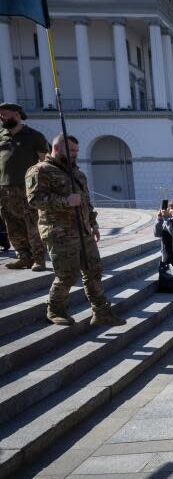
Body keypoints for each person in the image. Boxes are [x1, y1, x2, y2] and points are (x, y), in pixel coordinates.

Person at [25, 135, 126, 327]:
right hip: (59, 232)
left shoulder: (77, 173)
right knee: (68, 275)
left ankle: (101, 312)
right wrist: (66, 201)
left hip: (83, 230)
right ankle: (55, 309)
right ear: (55, 147)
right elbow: (34, 200)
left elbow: (86, 201)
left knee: (94, 271)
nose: (74, 155)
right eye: (71, 151)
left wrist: (93, 223)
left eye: (76, 151)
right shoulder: (40, 171)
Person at [0, 103, 49, 271]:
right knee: (12, 225)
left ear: (17, 114)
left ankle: (39, 259)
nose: (2, 118)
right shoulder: (1, 135)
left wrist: (42, 185)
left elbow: (44, 162)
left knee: (33, 224)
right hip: (4, 189)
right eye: (0, 115)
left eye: (5, 115)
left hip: (28, 188)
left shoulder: (34, 136)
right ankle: (23, 257)